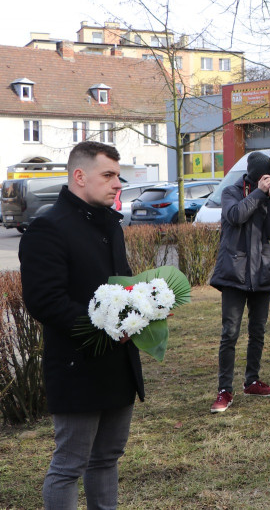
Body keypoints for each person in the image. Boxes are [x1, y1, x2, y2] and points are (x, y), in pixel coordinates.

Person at [20, 141, 144, 509]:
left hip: (118, 364)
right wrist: (103, 327)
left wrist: (146, 306)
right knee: (69, 465)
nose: (117, 183)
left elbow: (121, 285)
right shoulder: (48, 227)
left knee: (107, 459)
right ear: (79, 176)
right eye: (108, 175)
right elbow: (44, 301)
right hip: (77, 365)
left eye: (117, 176)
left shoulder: (110, 224)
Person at [209, 151, 270, 413]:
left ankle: (252, 380)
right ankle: (224, 390)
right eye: (264, 176)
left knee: (258, 331)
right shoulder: (231, 191)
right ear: (254, 176)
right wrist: (258, 194)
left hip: (261, 272)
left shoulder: (268, 195)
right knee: (230, 333)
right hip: (234, 272)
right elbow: (235, 216)